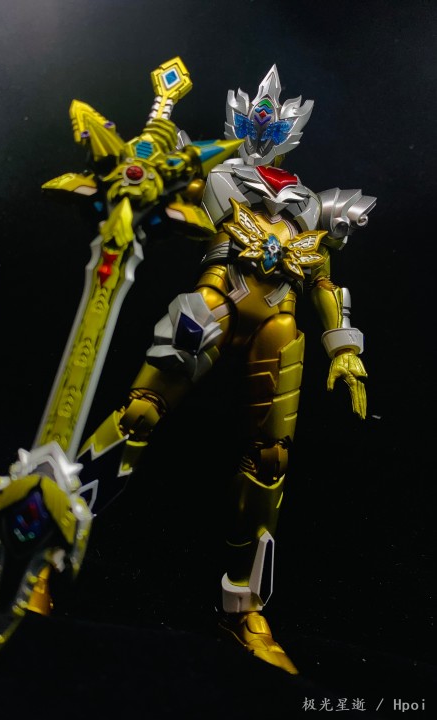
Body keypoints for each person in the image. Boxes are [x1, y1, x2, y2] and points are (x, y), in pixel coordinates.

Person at [74, 64, 375, 674]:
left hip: (279, 323)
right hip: (214, 304)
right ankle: (51, 552)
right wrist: (137, 176)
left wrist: (344, 349)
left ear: (291, 130)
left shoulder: (313, 204)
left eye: (273, 123)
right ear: (238, 121)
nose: (261, 128)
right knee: (138, 414)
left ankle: (243, 607)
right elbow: (160, 194)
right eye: (252, 120)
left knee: (271, 459)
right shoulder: (215, 172)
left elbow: (322, 280)